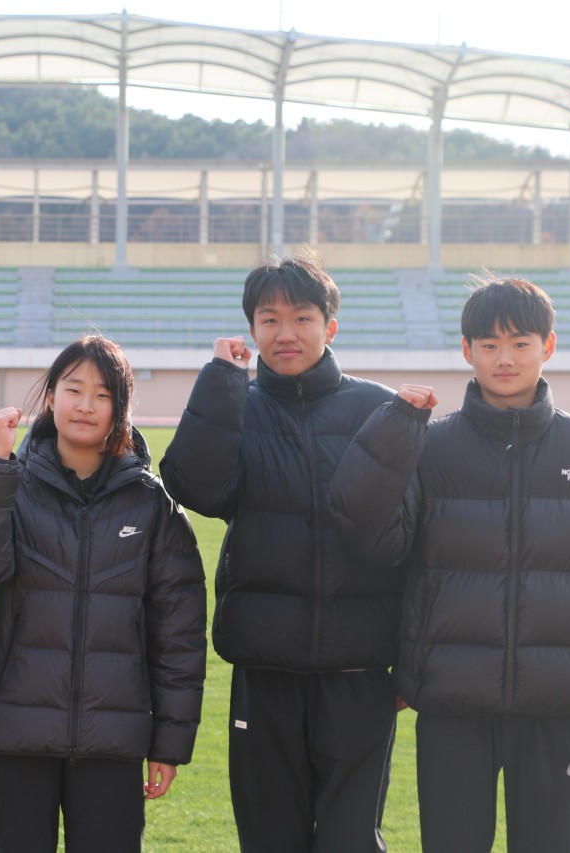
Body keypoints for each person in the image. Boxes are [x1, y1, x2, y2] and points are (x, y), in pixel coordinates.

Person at [327, 275, 570, 853]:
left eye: (521, 343)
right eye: (490, 344)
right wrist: (394, 433)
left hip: (554, 705)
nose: (505, 358)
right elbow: (379, 545)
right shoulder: (432, 446)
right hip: (453, 702)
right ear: (466, 349)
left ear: (548, 346)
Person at [159, 256, 403, 853]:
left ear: (330, 326)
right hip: (265, 671)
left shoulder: (378, 410)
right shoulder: (236, 404)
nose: (285, 333)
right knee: (270, 838)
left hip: (358, 672)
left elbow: (413, 544)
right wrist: (220, 382)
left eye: (301, 318)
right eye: (269, 319)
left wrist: (412, 658)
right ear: (252, 329)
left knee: (352, 840)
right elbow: (195, 487)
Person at [0, 335, 206, 853]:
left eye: (103, 394)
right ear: (50, 398)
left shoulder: (151, 503)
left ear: (121, 409)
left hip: (113, 740)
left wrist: (170, 742)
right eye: (73, 389)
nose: (86, 405)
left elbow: (179, 630)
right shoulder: (11, 482)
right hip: (17, 734)